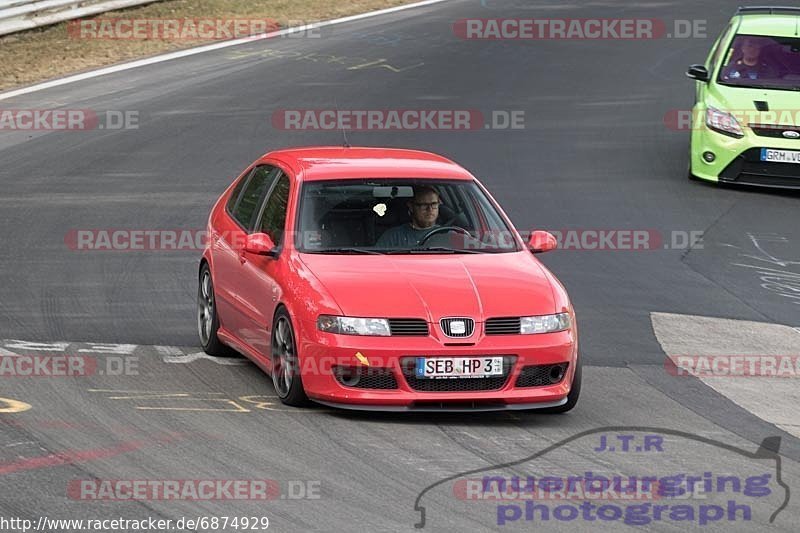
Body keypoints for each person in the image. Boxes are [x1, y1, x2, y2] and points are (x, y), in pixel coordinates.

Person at [375, 186, 441, 248]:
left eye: (434, 204)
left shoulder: (447, 234)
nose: (430, 209)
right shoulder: (393, 237)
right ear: (411, 207)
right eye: (424, 205)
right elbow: (376, 259)